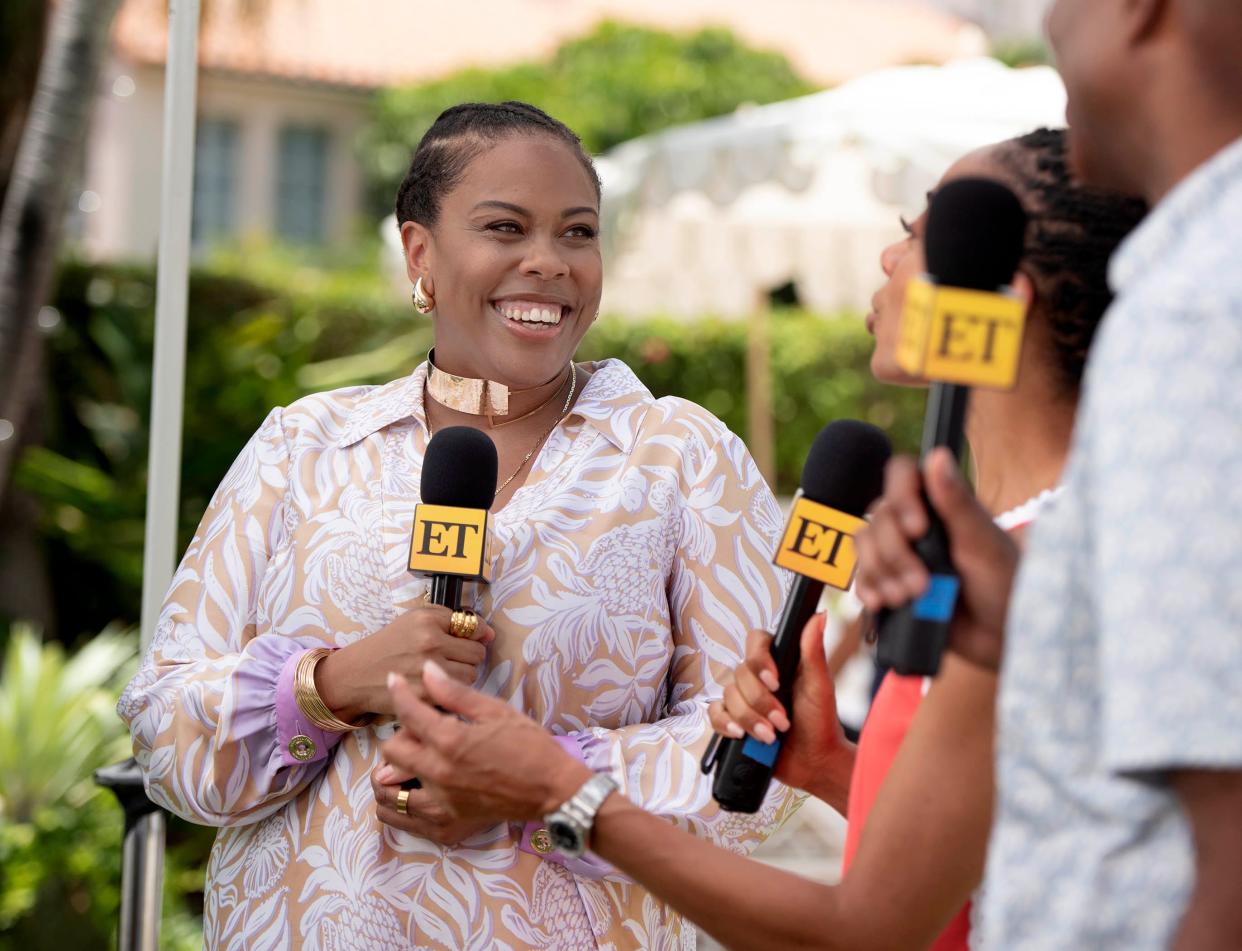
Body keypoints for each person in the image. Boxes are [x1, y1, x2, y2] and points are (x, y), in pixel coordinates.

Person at [375, 128, 1146, 950]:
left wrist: (558, 788)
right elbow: (1007, 860)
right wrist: (826, 766)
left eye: (918, 234)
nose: (889, 260)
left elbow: (861, 930)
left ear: (1001, 298)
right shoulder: (1057, 545)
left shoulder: (1025, 579)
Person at [118, 101, 800, 949]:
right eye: (505, 228)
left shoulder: (678, 459)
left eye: (578, 234)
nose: (547, 262)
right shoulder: (305, 445)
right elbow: (165, 727)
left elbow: (761, 765)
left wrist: (536, 789)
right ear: (420, 253)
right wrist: (332, 683)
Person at [853, 1, 1242, 947]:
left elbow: (1217, 845)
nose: (1051, 22)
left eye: (922, 231)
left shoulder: (1195, 313)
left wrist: (569, 793)